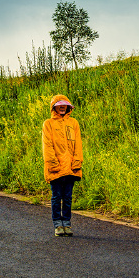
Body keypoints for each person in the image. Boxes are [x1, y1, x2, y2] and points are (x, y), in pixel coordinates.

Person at [42, 94, 83, 237]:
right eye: (59, 105)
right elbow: (47, 146)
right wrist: (53, 164)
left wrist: (77, 162)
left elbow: (78, 145)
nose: (62, 107)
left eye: (64, 105)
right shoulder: (48, 124)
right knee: (56, 197)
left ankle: (67, 223)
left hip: (71, 168)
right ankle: (58, 225)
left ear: (68, 107)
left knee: (67, 197)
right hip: (56, 168)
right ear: (54, 107)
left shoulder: (74, 123)